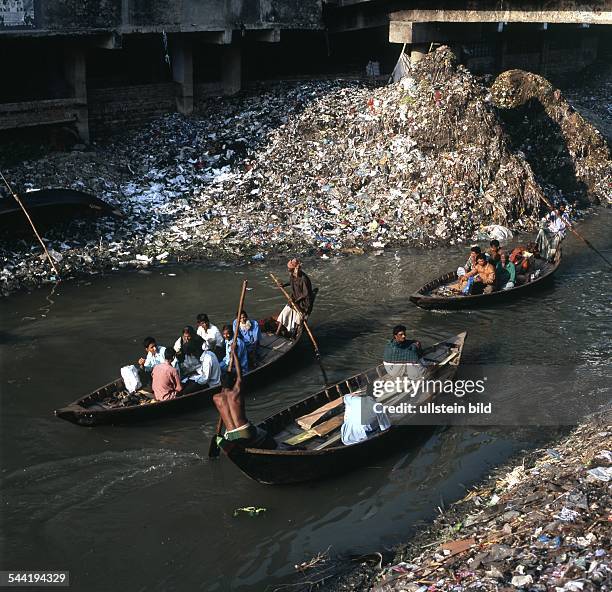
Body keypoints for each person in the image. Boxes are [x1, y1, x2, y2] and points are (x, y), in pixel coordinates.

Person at [213, 349, 255, 441]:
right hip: (245, 431)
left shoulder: (216, 398)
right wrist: (234, 354)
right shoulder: (237, 392)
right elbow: (240, 376)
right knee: (260, 432)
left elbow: (226, 387)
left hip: (231, 435)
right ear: (233, 381)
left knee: (226, 435)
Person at [276, 258, 314, 336]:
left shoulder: (303, 279)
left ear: (293, 269)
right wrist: (284, 285)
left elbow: (306, 294)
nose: (288, 269)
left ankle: (294, 334)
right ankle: (277, 332)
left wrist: (296, 301)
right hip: (294, 299)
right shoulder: (293, 275)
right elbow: (291, 282)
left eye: (289, 268)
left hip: (303, 302)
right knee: (285, 313)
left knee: (299, 319)